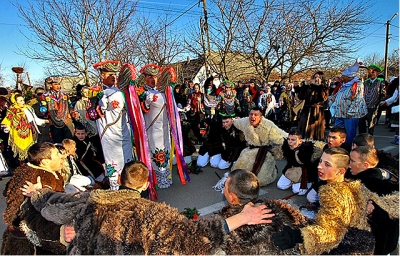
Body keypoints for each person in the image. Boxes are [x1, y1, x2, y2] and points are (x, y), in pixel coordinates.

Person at [21, 161, 274, 255]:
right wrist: (240, 219)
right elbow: (191, 238)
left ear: (120, 179)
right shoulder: (152, 214)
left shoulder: (91, 199)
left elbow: (51, 207)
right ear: (144, 186)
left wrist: (37, 193)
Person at [271, 147, 399, 255]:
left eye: (327, 164)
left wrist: (297, 236)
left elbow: (332, 231)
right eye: (321, 161)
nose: (320, 166)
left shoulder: (332, 193)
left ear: (341, 171)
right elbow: (386, 205)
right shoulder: (354, 185)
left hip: (352, 246)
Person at [1, 142, 66, 255]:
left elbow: (6, 191)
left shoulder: (25, 170)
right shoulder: (41, 176)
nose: (62, 157)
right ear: (44, 161)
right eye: (57, 154)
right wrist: (43, 191)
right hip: (33, 242)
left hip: (17, 237)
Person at [348, 146, 399, 255]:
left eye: (352, 161)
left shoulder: (370, 182)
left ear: (365, 165)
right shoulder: (387, 174)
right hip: (389, 242)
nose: (348, 165)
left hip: (378, 244)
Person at [93, 60, 134, 190]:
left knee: (127, 160)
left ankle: (129, 186)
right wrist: (98, 104)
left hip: (123, 132)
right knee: (112, 163)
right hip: (108, 134)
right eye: (109, 74)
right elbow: (92, 114)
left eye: (114, 74)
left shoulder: (121, 92)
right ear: (102, 76)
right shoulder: (95, 92)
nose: (113, 77)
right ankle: (115, 189)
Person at [228, 107, 288, 187]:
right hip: (249, 150)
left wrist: (295, 140)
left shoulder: (268, 125)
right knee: (239, 173)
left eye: (255, 115)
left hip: (264, 152)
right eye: (251, 114)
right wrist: (229, 121)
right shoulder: (245, 121)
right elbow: (235, 122)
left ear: (260, 117)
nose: (252, 116)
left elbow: (281, 135)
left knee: (261, 178)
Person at [1, 93, 49, 160]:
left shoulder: (28, 108)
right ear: (15, 101)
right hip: (17, 135)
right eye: (20, 101)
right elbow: (7, 121)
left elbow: (35, 119)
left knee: (30, 151)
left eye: (23, 100)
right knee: (16, 154)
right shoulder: (12, 110)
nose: (23, 102)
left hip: (29, 134)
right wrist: (7, 127)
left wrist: (45, 121)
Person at [329, 59, 367, 143]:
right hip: (340, 113)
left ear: (349, 77)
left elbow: (358, 99)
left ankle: (348, 149)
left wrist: (351, 112)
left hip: (350, 115)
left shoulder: (357, 84)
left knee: (349, 134)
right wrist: (332, 99)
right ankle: (338, 147)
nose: (342, 77)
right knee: (337, 132)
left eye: (344, 76)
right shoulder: (343, 85)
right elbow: (338, 95)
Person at [276, 129, 315, 196]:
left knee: (297, 191)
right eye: (289, 139)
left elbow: (308, 165)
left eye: (293, 140)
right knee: (281, 185)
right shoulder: (286, 147)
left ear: (300, 141)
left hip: (304, 172)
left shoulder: (307, 150)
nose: (290, 142)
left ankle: (308, 183)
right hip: (292, 169)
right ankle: (292, 181)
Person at [40, 75, 74, 143]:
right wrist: (47, 117)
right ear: (50, 85)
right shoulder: (45, 96)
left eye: (59, 84)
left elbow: (70, 105)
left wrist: (72, 113)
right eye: (55, 84)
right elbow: (43, 110)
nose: (58, 86)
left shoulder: (65, 94)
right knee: (58, 142)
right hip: (53, 123)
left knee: (70, 140)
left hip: (66, 121)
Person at [297, 71, 329, 140]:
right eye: (315, 77)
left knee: (314, 129)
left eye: (318, 77)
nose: (316, 79)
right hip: (307, 110)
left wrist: (319, 86)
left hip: (317, 111)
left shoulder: (324, 87)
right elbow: (301, 96)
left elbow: (323, 98)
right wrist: (305, 85)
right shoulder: (309, 87)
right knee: (304, 128)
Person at [358, 64, 384, 135]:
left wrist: (378, 103)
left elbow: (383, 94)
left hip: (373, 106)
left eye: (373, 72)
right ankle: (361, 138)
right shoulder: (365, 82)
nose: (371, 74)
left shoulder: (380, 82)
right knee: (361, 123)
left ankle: (369, 140)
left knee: (370, 124)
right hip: (364, 105)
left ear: (377, 73)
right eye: (369, 72)